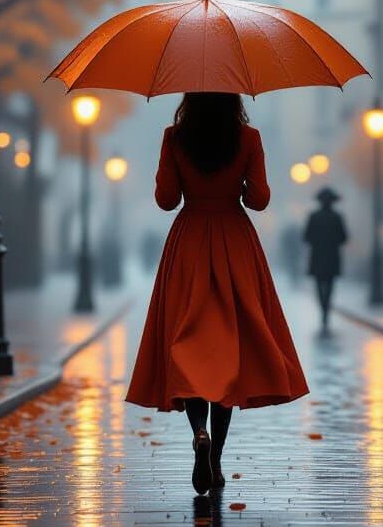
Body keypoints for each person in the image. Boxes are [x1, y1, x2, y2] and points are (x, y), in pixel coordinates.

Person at [125, 93, 309, 496]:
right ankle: (218, 460)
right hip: (233, 243)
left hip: (189, 242)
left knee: (189, 345)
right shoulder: (248, 137)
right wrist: (237, 183)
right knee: (229, 353)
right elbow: (259, 199)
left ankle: (199, 432)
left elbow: (166, 200)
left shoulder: (174, 137)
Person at [304, 188, 348, 330]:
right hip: (332, 258)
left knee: (319, 285)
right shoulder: (337, 217)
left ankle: (323, 308)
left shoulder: (314, 216)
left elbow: (306, 237)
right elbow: (344, 238)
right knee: (330, 286)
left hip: (317, 257)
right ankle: (326, 310)